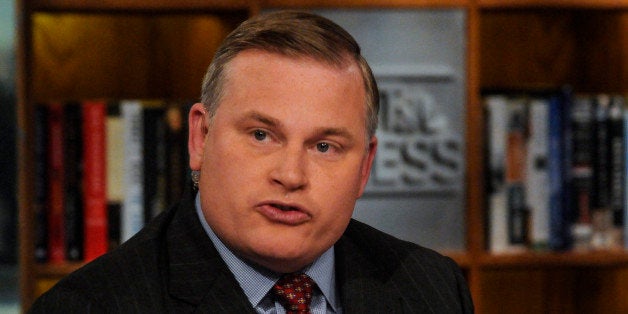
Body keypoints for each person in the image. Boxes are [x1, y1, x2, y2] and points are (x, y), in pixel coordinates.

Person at [29, 10, 473, 313]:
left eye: (325, 147)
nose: (291, 175)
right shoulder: (95, 306)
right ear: (201, 137)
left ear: (364, 167)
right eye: (262, 135)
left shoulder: (433, 289)